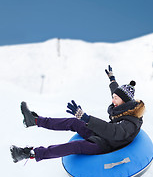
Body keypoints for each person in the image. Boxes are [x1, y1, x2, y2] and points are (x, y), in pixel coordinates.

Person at [10, 66, 145, 163]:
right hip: (102, 135)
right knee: (73, 122)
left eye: (115, 98)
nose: (112, 99)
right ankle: (34, 120)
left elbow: (114, 131)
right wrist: (112, 79)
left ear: (124, 101)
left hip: (106, 145)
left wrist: (87, 118)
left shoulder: (131, 123)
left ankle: (29, 154)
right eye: (113, 97)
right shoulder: (124, 106)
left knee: (75, 146)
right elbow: (116, 92)